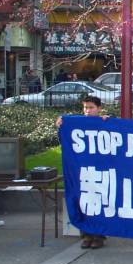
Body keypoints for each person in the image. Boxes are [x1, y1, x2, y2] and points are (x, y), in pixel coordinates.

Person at [56, 96, 110, 249]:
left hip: (99, 170)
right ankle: (86, 235)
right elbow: (65, 140)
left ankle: (99, 236)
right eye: (85, 107)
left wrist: (108, 120)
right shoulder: (76, 124)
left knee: (99, 204)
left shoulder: (104, 122)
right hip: (81, 171)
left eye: (91, 107)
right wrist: (60, 126)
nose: (88, 111)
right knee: (84, 203)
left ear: (99, 108)